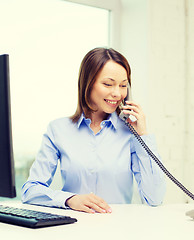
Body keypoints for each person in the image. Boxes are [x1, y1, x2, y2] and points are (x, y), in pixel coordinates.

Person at [21, 47, 166, 214]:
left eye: (123, 85)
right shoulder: (58, 130)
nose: (117, 93)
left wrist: (142, 135)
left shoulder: (130, 133)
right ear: (88, 84)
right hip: (73, 229)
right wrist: (70, 199)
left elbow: (155, 198)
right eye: (108, 84)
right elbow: (30, 190)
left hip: (119, 230)